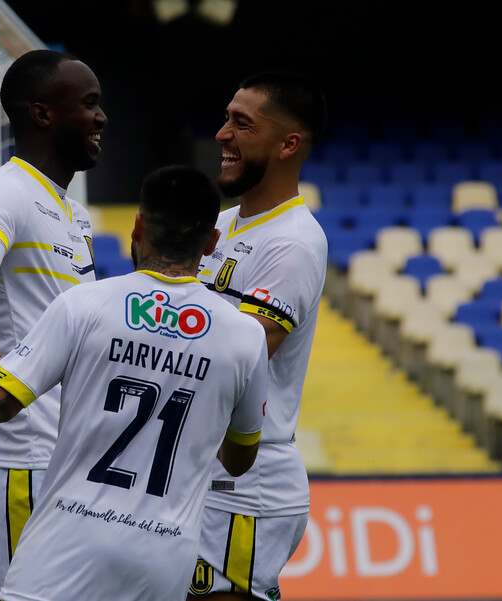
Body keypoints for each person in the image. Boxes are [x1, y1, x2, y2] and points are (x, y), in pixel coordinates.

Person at [0, 165, 268, 601]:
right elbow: (240, 458)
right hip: (164, 557)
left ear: (138, 226)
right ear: (211, 243)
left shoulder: (84, 305)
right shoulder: (245, 334)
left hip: (66, 550)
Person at [0, 49, 106, 600]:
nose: (101, 117)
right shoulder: (2, 191)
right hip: (22, 459)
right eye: (89, 104)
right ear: (41, 114)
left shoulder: (72, 212)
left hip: (72, 453)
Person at [189, 72, 329, 601]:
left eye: (241, 123)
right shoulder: (221, 225)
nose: (223, 134)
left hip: (246, 483)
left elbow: (242, 357)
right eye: (226, 118)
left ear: (288, 144)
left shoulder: (294, 242)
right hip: (206, 469)